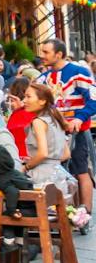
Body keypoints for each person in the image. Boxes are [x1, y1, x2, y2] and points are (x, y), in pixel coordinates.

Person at [40, 39, 96, 220]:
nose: (42, 55)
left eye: (46, 52)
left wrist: (79, 118)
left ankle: (85, 213)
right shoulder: (43, 78)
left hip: (77, 131)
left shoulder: (79, 73)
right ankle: (62, 212)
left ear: (59, 54)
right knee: (56, 171)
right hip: (53, 132)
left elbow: (93, 99)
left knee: (81, 169)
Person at [19, 83, 76, 199]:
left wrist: (26, 167)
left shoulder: (38, 122)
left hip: (41, 178)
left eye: (28, 97)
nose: (24, 100)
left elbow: (43, 153)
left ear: (42, 101)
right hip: (58, 176)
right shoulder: (55, 118)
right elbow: (66, 154)